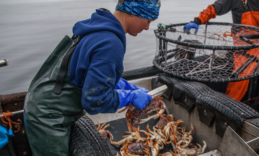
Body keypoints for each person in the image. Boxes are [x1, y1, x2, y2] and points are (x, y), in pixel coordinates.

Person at [23, 0, 161, 155]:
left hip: (43, 100)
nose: (147, 27)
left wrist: (120, 84)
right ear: (134, 11)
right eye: (148, 20)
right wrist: (130, 96)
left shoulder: (99, 28)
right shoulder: (111, 43)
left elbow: (85, 70)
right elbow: (94, 101)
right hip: (49, 117)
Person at [183, 0, 259, 123]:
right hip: (243, 44)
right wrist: (197, 21)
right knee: (240, 79)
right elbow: (214, 8)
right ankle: (226, 111)